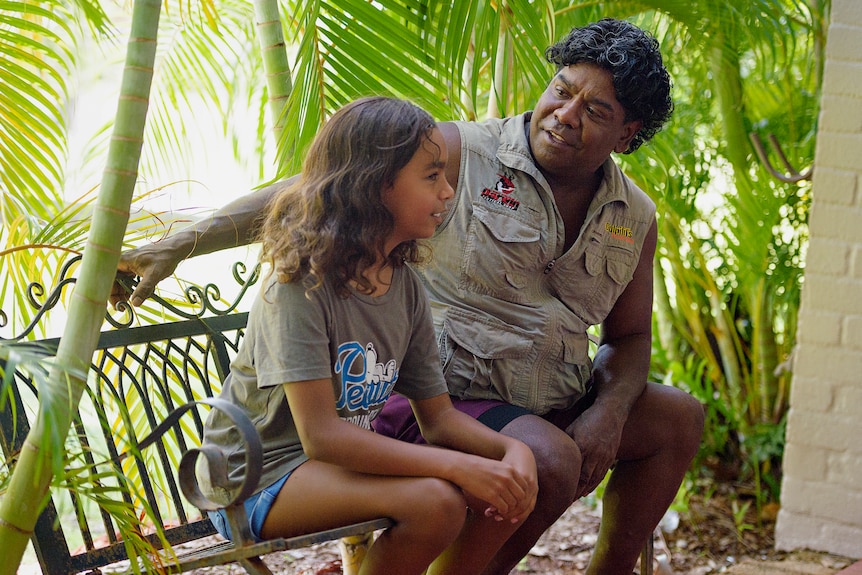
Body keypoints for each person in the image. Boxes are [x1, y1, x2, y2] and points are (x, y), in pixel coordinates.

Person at [115, 19, 704, 575]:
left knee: (676, 418)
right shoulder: (458, 152)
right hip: (441, 395)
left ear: (627, 134)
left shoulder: (633, 216)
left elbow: (629, 338)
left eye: (595, 110)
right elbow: (314, 192)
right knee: (545, 459)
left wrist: (609, 410)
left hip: (542, 394)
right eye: (562, 90)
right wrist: (181, 244)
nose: (566, 114)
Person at [193, 96, 537, 575]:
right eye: (432, 175)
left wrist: (513, 450)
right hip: (254, 479)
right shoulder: (300, 285)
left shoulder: (405, 288)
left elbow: (437, 418)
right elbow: (322, 437)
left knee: (450, 496)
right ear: (377, 185)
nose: (448, 191)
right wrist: (457, 466)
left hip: (323, 471)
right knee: (438, 500)